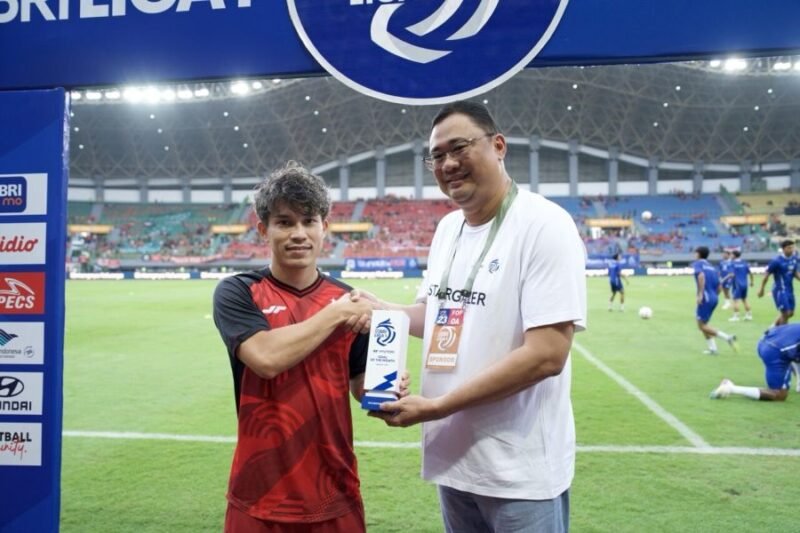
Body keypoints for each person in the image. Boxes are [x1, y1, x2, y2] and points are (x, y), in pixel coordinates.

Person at [367, 101, 587, 533]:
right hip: (454, 462)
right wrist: (379, 310)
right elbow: (437, 316)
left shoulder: (544, 224)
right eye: (436, 155)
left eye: (459, 148)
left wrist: (437, 406)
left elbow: (546, 355)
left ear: (498, 145)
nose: (447, 163)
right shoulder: (447, 229)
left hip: (519, 473)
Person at [213, 161, 380, 533]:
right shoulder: (238, 291)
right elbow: (265, 358)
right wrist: (336, 314)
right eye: (285, 222)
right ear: (263, 229)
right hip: (258, 495)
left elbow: (360, 383)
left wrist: (387, 388)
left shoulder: (347, 299)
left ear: (325, 227)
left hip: (334, 491)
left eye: (308, 221)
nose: (299, 234)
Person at [710, 324, 800, 400]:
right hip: (775, 351)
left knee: (793, 353)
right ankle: (731, 388)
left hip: (764, 341)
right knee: (779, 395)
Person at [692, 246, 737, 355]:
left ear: (698, 254)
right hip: (713, 297)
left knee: (701, 325)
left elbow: (701, 276)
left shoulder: (698, 264)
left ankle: (727, 338)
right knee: (704, 324)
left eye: (695, 253)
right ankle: (713, 349)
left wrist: (700, 294)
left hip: (706, 297)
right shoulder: (712, 267)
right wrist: (713, 296)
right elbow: (719, 286)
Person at [758, 239, 800, 327]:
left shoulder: (794, 259)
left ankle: (773, 328)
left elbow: (795, 273)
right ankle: (783, 333)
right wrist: (761, 289)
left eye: (792, 247)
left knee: (791, 313)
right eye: (789, 248)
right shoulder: (776, 261)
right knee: (786, 313)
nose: (791, 250)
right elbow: (766, 275)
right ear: (783, 249)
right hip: (780, 290)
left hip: (790, 290)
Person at [727, 249, 753, 321]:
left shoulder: (732, 263)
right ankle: (749, 315)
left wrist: (727, 278)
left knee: (735, 300)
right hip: (744, 284)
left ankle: (736, 317)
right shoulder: (744, 263)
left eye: (731, 254)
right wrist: (752, 282)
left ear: (734, 255)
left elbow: (731, 274)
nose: (730, 256)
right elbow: (750, 273)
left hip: (737, 284)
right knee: (744, 299)